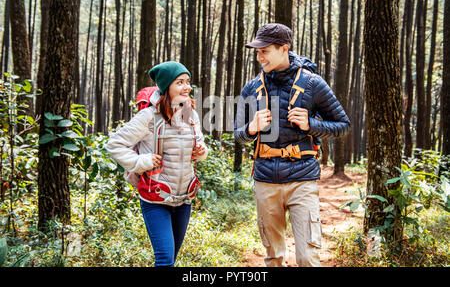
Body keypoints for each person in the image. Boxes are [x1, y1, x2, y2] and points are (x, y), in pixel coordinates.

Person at [234, 23, 350, 267]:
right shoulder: (251, 88)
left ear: (284, 49)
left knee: (307, 257)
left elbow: (342, 125)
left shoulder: (312, 84)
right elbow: (238, 135)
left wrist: (311, 124)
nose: (259, 56)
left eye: (264, 51)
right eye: (257, 52)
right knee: (274, 258)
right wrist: (250, 129)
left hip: (302, 178)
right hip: (265, 180)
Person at [106, 61, 208, 267]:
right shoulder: (148, 117)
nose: (186, 87)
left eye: (187, 81)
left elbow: (200, 146)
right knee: (164, 259)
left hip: (184, 198)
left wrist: (201, 152)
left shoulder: (191, 114)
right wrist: (141, 161)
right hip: (155, 198)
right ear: (167, 86)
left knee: (171, 257)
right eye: (180, 82)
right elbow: (114, 144)